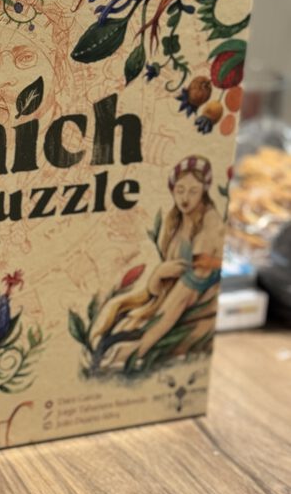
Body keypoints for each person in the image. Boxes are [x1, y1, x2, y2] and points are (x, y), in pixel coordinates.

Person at [90, 156, 224, 371]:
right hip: (168, 300)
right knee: (118, 317)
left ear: (204, 191)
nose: (185, 198)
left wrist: (142, 347)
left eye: (193, 191)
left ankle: (133, 354)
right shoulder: (178, 221)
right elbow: (162, 287)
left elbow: (186, 292)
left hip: (193, 304)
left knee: (128, 335)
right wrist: (158, 275)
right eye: (180, 190)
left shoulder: (210, 223)